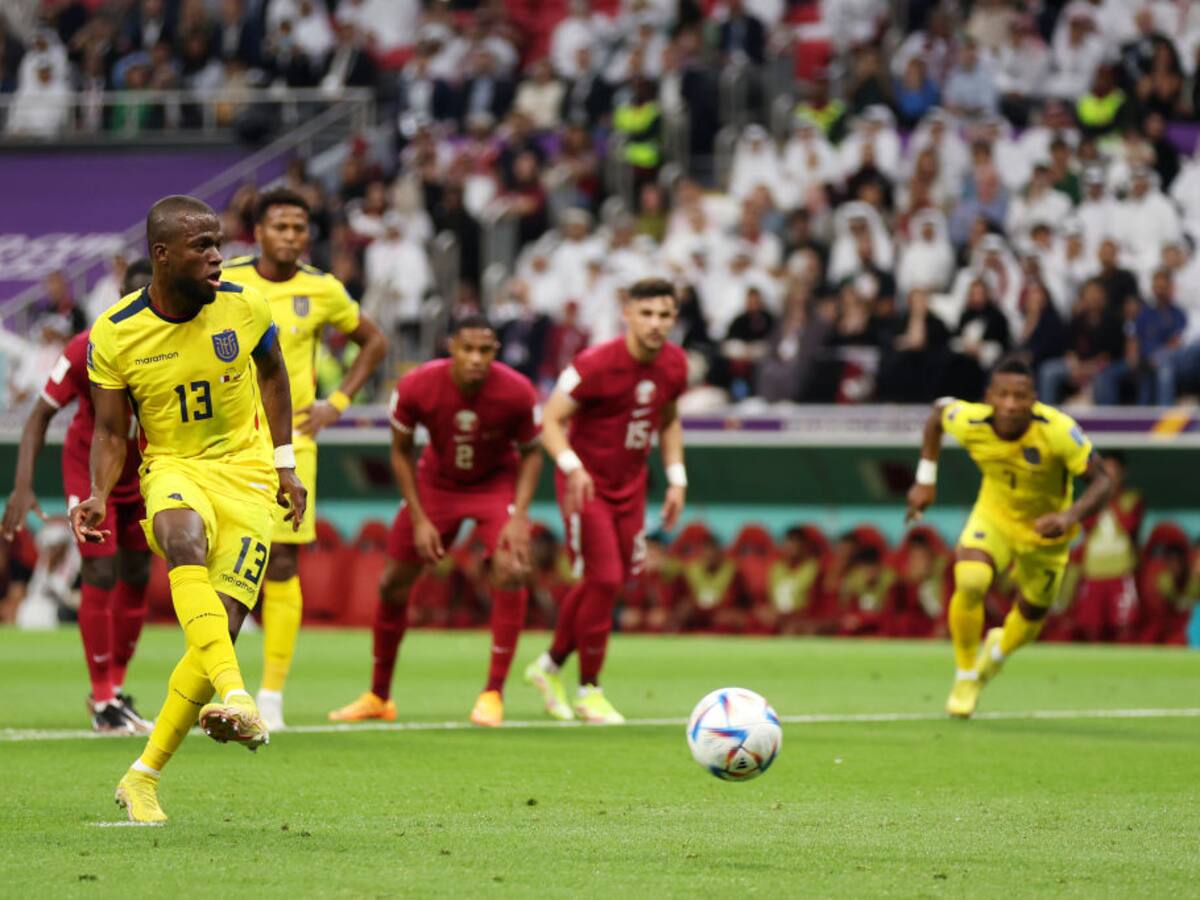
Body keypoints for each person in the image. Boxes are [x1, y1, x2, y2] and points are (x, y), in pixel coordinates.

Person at [70, 195, 307, 824]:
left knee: (220, 630)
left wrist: (284, 462)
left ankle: (142, 776)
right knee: (182, 539)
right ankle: (238, 695)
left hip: (250, 476)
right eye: (201, 247)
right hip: (174, 466)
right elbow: (113, 431)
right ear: (161, 254)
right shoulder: (116, 333)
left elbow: (275, 374)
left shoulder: (244, 304)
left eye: (217, 244)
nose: (216, 258)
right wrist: (98, 492)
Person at [221, 188, 386, 730]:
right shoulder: (228, 279)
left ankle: (270, 693)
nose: (292, 235)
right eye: (281, 226)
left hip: (294, 441)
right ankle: (217, 678)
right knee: (219, 558)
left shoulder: (322, 288)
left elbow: (373, 341)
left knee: (284, 562)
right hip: (226, 438)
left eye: (299, 227)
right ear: (258, 232)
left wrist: (337, 404)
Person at [327, 315, 542, 728]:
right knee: (392, 583)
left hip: (494, 486)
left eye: (486, 351)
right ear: (452, 348)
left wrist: (521, 515)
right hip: (436, 484)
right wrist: (421, 517)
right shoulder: (417, 386)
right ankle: (378, 695)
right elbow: (400, 453)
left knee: (512, 567)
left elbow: (532, 452)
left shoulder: (517, 390)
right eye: (468, 349)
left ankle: (493, 693)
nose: (477, 359)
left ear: (495, 352)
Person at [905, 356, 1114, 718]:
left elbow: (1104, 480)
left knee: (1031, 617)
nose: (1011, 405)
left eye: (1020, 396)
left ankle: (996, 654)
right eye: (1003, 395)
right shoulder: (972, 421)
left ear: (1034, 399)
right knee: (970, 579)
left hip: (1044, 531)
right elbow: (938, 414)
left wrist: (1068, 516)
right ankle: (967, 674)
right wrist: (925, 479)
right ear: (989, 396)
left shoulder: (1059, 431)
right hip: (995, 516)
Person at [524, 277, 688, 724]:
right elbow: (551, 420)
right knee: (606, 577)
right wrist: (572, 467)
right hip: (586, 485)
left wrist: (676, 478)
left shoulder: (675, 364)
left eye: (665, 315)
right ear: (627, 314)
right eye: (647, 313)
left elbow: (668, 419)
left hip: (630, 486)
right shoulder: (595, 363)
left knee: (608, 582)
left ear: (675, 318)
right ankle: (589, 690)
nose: (656, 324)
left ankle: (549, 666)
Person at [2, 259, 155, 735]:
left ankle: (116, 691)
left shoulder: (177, 343)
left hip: (148, 474)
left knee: (136, 574)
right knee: (101, 570)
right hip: (90, 475)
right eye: (134, 296)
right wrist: (23, 485)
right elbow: (38, 416)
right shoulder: (87, 345)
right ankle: (103, 695)